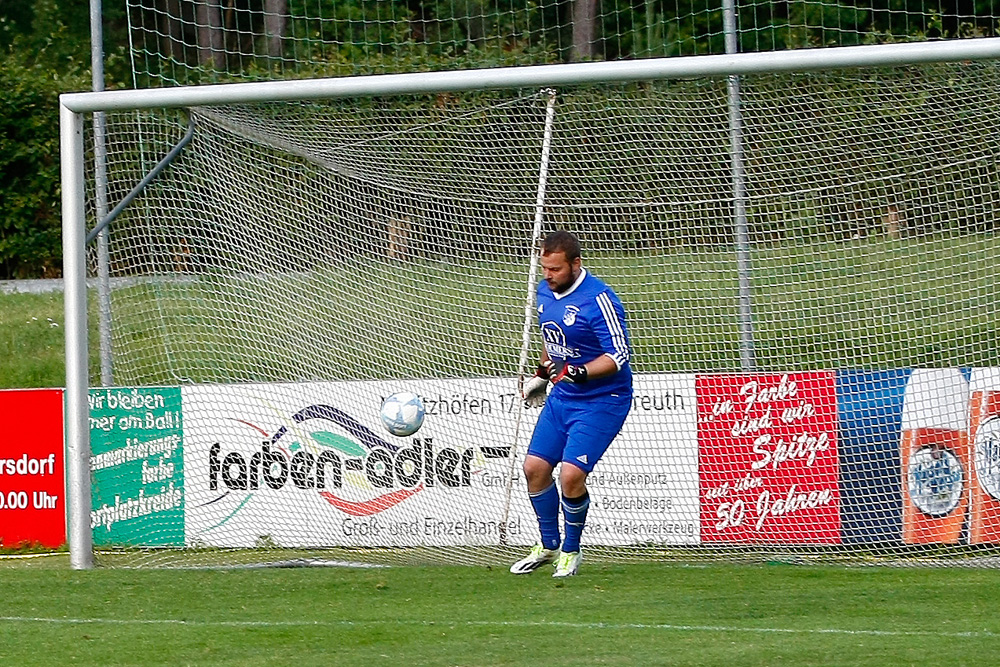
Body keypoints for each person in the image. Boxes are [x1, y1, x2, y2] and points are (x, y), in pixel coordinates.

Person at [510, 230, 633, 577]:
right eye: (544, 269)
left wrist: (578, 372)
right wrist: (542, 374)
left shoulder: (600, 299)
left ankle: (571, 550)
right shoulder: (543, 292)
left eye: (555, 269)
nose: (548, 276)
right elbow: (555, 341)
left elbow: (619, 355)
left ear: (576, 264)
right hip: (563, 396)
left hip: (602, 400)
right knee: (534, 469)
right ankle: (548, 545)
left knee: (571, 475)